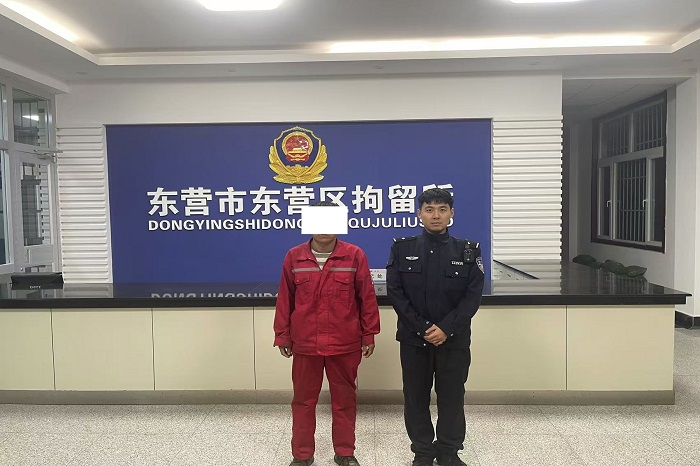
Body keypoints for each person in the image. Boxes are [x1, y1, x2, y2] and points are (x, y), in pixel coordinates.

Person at [274, 202, 381, 466]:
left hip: (344, 342)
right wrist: (282, 335)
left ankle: (345, 452)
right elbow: (285, 299)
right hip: (306, 343)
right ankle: (302, 455)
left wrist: (369, 334)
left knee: (345, 400)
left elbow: (367, 298)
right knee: (303, 401)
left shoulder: (354, 256)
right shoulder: (294, 257)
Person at [386, 188, 484, 466]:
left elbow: (472, 297)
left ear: (452, 213)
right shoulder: (402, 248)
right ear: (419, 214)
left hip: (453, 341)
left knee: (452, 397)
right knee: (415, 398)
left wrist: (446, 329)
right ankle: (423, 452)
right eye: (429, 210)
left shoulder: (468, 250)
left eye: (442, 209)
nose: (436, 215)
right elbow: (396, 293)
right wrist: (424, 329)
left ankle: (449, 452)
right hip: (414, 340)